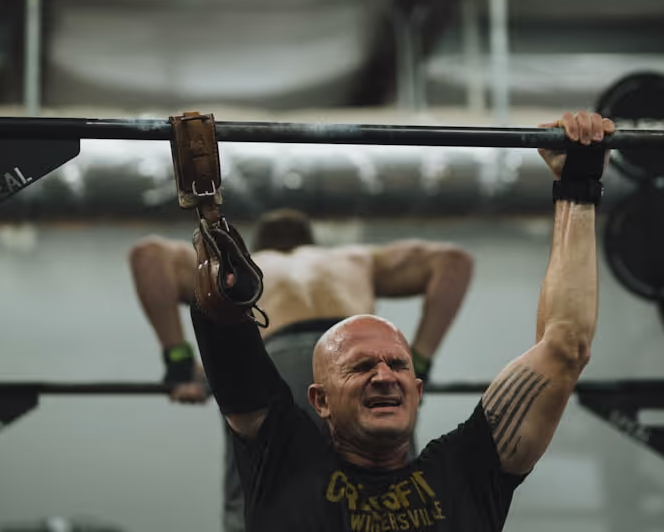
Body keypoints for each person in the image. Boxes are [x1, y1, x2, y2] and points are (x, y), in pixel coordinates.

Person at [189, 110, 613, 531]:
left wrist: (577, 185)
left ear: (418, 389)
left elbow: (565, 346)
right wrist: (208, 214)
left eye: (398, 364)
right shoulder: (285, 466)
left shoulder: (464, 473)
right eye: (360, 367)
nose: (384, 376)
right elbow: (227, 336)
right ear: (320, 401)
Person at [128, 208, 475, 532]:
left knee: (260, 478)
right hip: (354, 359)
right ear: (312, 242)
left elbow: (147, 256)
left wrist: (179, 363)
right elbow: (454, 262)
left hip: (279, 362)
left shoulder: (251, 264)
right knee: (386, 474)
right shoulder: (351, 259)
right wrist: (418, 362)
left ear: (258, 243)